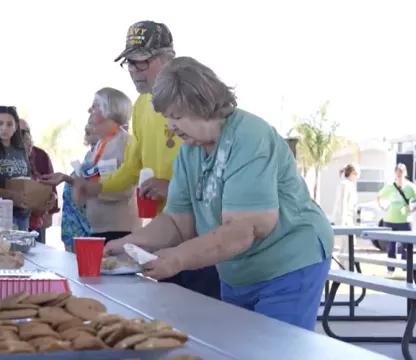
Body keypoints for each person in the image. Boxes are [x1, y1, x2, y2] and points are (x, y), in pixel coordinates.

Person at [101, 56, 334, 331]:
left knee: (275, 350)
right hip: (237, 270)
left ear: (201, 104)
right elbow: (177, 222)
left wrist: (177, 258)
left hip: (288, 261)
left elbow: (244, 229)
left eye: (176, 116)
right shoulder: (189, 152)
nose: (172, 128)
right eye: (167, 118)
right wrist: (128, 244)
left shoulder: (249, 135)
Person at [70, 21, 221, 300]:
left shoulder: (195, 101)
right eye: (130, 62)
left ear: (168, 58)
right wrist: (93, 187)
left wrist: (171, 185)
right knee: (169, 315)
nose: (134, 72)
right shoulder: (140, 107)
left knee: (204, 317)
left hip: (203, 235)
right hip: (164, 231)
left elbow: (218, 167)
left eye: (143, 62)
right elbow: (132, 167)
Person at [41, 87, 140, 246]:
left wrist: (87, 189)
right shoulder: (98, 146)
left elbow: (126, 187)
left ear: (109, 110)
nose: (89, 110)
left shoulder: (125, 143)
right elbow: (90, 182)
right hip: (96, 228)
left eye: (94, 107)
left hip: (120, 230)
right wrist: (72, 183)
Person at [19, 119, 58, 244]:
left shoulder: (40, 155)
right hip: (13, 220)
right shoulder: (3, 155)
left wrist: (51, 212)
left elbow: (51, 185)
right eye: (18, 132)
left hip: (36, 221)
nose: (22, 135)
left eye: (24, 132)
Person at [377, 163, 416, 274]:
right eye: (397, 171)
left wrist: (412, 208)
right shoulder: (390, 186)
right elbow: (378, 196)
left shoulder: (410, 187)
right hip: (390, 220)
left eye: (401, 171)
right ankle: (390, 269)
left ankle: (405, 269)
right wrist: (382, 206)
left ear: (405, 173)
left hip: (405, 220)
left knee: (406, 246)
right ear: (395, 173)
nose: (399, 174)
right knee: (390, 246)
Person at [332, 164, 359, 265]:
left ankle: (344, 267)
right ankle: (346, 268)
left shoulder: (350, 185)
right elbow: (342, 202)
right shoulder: (345, 184)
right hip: (345, 219)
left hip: (349, 218)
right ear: (351, 173)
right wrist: (343, 222)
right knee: (348, 245)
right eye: (356, 173)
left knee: (348, 246)